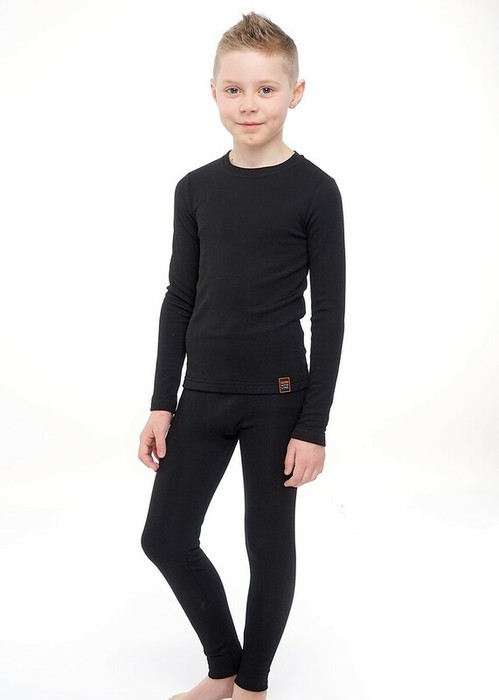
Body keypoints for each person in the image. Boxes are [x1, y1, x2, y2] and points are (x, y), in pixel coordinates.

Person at [138, 11, 346, 700]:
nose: (248, 104)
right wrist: (162, 402)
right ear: (214, 92)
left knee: (267, 544)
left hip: (278, 400)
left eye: (264, 89)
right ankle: (223, 667)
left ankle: (252, 686)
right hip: (202, 394)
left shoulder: (315, 191)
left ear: (295, 93)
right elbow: (179, 298)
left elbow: (331, 314)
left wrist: (312, 425)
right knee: (165, 537)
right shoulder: (196, 188)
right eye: (233, 90)